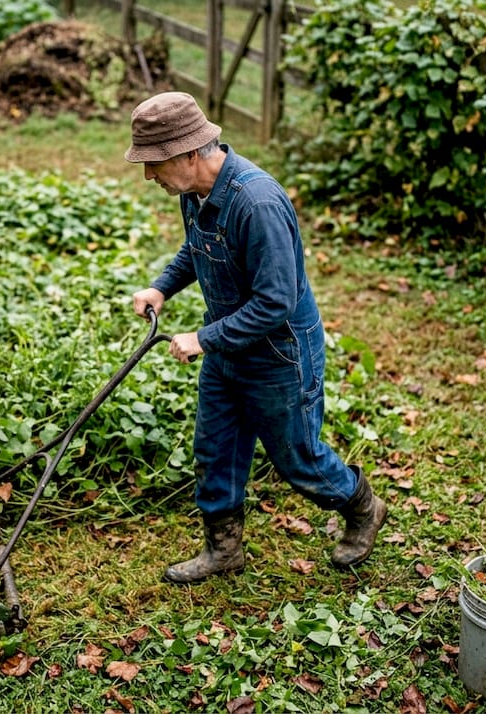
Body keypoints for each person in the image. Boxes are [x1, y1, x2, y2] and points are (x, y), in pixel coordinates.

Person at [124, 91, 388, 583]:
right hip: (229, 346)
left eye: (154, 163)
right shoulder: (195, 192)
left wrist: (203, 338)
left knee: (298, 460)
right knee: (215, 447)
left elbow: (275, 302)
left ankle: (363, 507)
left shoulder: (257, 203)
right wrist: (161, 288)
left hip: (278, 354)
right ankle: (224, 551)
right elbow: (196, 249)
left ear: (188, 153)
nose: (149, 176)